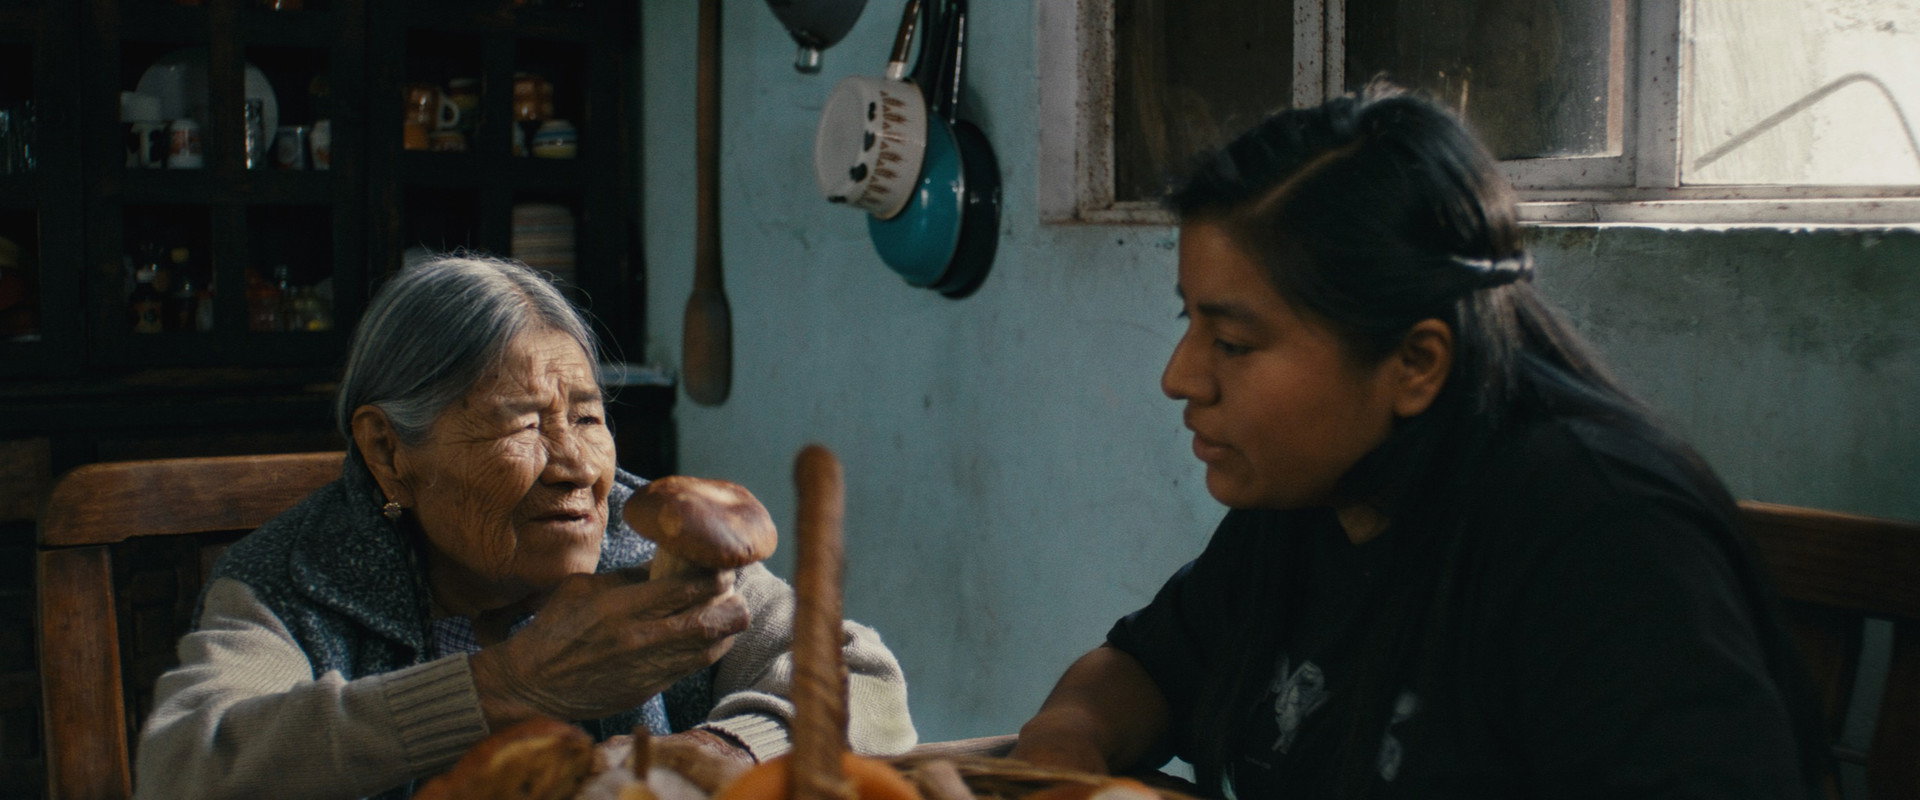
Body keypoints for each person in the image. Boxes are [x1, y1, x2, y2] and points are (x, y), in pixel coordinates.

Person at [1008, 87, 1827, 799]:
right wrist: (1062, 750)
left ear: (1415, 364)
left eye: (1234, 342)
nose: (1180, 377)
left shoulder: (1602, 544)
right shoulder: (1319, 496)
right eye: (1189, 321)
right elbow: (1142, 670)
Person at [135, 255, 917, 800]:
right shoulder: (296, 580)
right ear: (387, 451)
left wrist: (721, 750)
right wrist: (508, 686)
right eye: (523, 424)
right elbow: (189, 767)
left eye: (587, 416)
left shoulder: (656, 541)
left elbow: (864, 681)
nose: (577, 464)